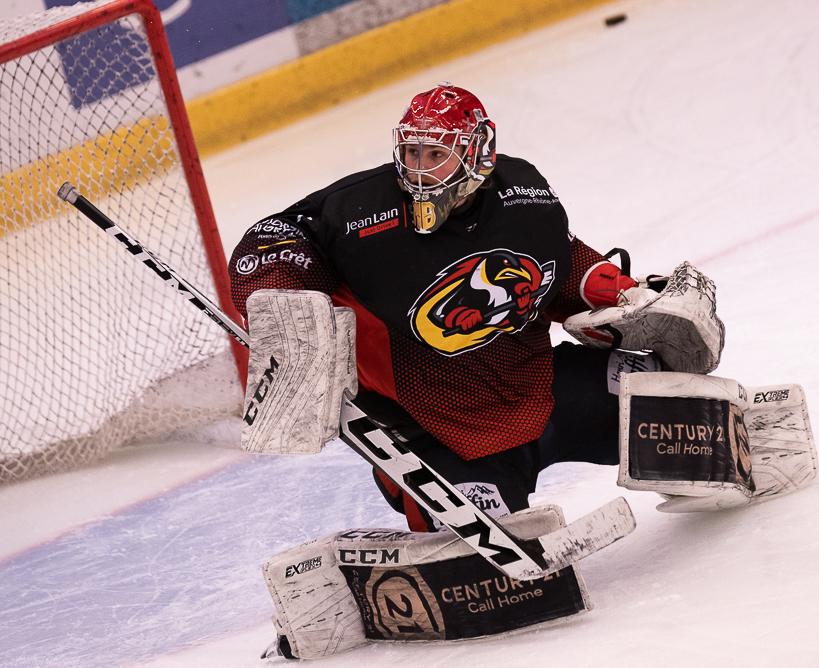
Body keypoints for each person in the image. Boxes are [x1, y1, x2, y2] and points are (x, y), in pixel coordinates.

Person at [228, 83, 719, 531]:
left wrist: (624, 294)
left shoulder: (524, 193)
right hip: (437, 435)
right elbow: (275, 238)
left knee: (662, 395)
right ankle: (457, 527)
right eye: (412, 152)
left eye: (435, 154)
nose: (419, 169)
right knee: (479, 547)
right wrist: (283, 299)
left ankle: (717, 459)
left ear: (478, 152)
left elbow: (562, 261)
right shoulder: (359, 211)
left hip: (541, 393)